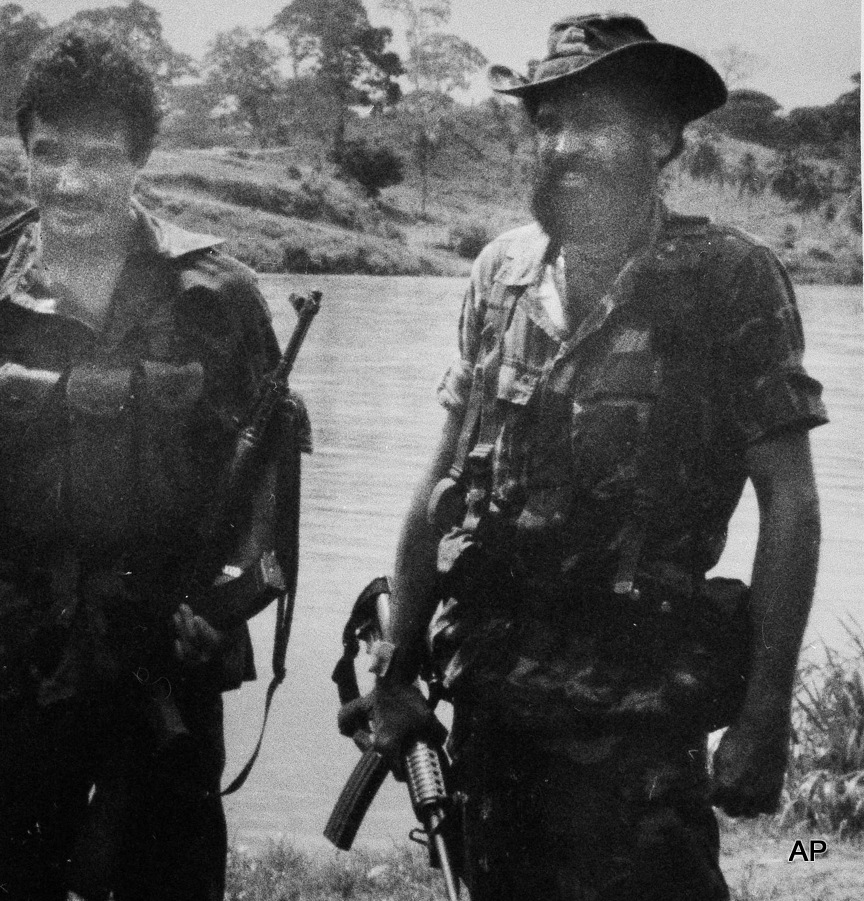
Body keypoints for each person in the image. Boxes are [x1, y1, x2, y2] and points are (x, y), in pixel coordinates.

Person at [343, 14, 826, 901]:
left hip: (641, 725)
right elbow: (441, 484)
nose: (566, 145)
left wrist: (764, 717)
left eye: (596, 120)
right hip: (494, 714)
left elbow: (789, 504)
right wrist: (399, 670)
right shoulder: (502, 275)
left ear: (661, 137)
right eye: (549, 123)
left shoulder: (731, 279)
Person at [0, 30, 304, 901]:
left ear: (141, 159)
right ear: (24, 150)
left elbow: (269, 478)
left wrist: (229, 602)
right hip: (18, 659)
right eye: (48, 153)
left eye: (100, 157)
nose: (69, 182)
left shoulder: (222, 298)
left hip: (170, 662)